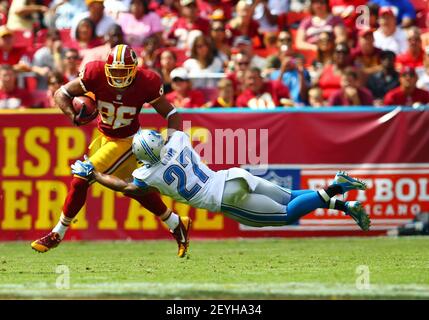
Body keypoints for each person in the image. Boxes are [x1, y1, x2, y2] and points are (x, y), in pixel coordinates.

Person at [31, 44, 191, 258]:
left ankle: (57, 234)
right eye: (114, 71)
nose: (118, 77)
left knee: (81, 176)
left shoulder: (146, 82)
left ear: (134, 70)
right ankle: (176, 223)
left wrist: (172, 143)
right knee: (134, 188)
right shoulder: (94, 73)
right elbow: (62, 93)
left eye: (123, 72)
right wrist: (73, 116)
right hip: (104, 138)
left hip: (126, 140)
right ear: (106, 68)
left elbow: (173, 114)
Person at [71, 129, 371, 233]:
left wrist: (94, 174)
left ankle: (335, 187)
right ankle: (344, 201)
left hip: (224, 198)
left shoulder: (145, 173)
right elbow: (173, 120)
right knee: (290, 196)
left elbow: (124, 187)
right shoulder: (177, 141)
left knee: (286, 214)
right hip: (233, 175)